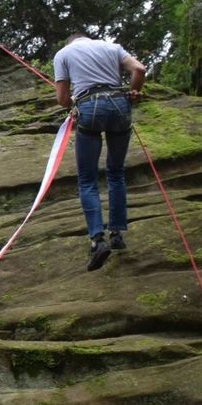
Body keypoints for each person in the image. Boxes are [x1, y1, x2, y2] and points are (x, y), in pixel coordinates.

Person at [53, 33, 146, 271]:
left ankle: (97, 241)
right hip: (119, 105)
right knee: (115, 173)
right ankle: (116, 234)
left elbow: (62, 100)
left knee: (87, 179)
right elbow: (139, 69)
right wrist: (134, 92)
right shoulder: (112, 47)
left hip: (89, 108)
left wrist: (71, 101)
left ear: (70, 42)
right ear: (87, 39)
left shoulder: (63, 55)